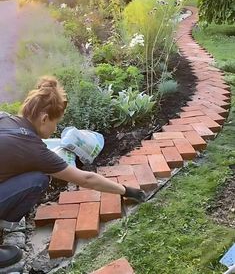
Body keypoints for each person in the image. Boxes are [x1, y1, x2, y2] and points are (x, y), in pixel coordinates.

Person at [0, 76, 146, 268]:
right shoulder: (33, 149)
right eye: (57, 122)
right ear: (44, 118)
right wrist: (127, 191)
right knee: (38, 179)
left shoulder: (5, 119)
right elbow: (86, 178)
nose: (56, 128)